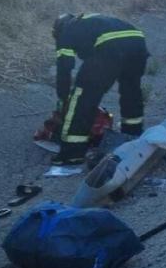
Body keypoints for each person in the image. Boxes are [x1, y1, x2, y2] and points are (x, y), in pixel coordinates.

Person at [48, 13, 149, 166]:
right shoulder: (91, 21)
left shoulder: (66, 31)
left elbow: (64, 68)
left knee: (83, 97)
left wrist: (64, 98)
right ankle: (133, 134)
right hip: (138, 41)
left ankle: (72, 153)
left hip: (110, 47)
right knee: (131, 91)